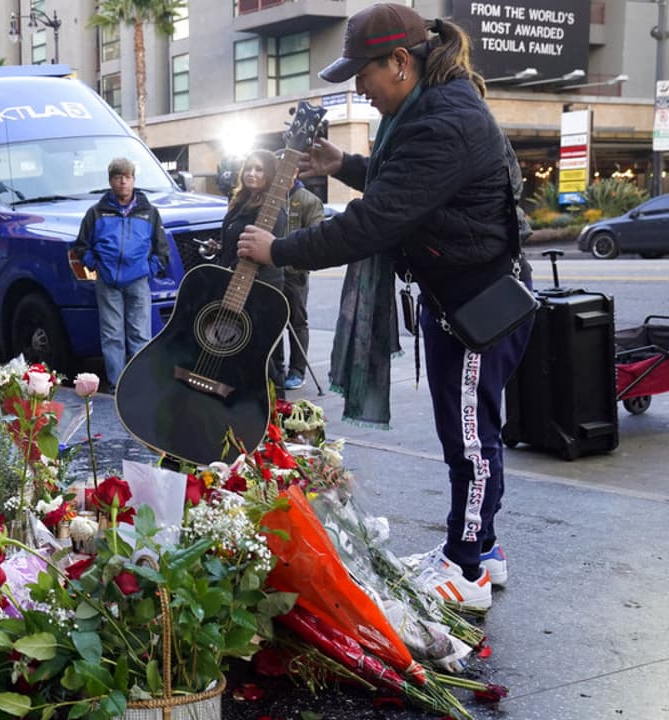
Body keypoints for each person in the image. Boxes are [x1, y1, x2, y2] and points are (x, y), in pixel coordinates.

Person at [236, 3, 531, 610]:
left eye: (362, 74)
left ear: (400, 61)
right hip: (461, 298)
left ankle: (468, 567)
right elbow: (410, 189)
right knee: (467, 435)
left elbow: (375, 223)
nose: (359, 90)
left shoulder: (441, 122)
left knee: (471, 441)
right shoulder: (432, 109)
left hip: (479, 308)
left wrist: (279, 249)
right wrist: (343, 165)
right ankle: (482, 549)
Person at [73, 157, 169, 389]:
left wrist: (148, 269)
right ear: (110, 181)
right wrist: (95, 265)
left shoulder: (150, 213)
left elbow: (161, 249)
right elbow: (81, 245)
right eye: (118, 177)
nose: (123, 182)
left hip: (138, 281)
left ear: (134, 180)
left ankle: (140, 385)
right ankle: (117, 385)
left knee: (140, 335)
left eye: (127, 177)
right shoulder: (96, 213)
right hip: (107, 282)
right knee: (112, 336)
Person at [216, 149, 289, 394]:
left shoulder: (272, 209)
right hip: (231, 279)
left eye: (259, 169)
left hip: (260, 285)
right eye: (248, 168)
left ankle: (273, 399)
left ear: (270, 174)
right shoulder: (239, 202)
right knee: (235, 344)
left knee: (259, 346)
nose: (252, 174)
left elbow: (269, 248)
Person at [275, 178, 325, 391]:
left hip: (294, 273)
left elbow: (317, 235)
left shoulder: (308, 200)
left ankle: (297, 370)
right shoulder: (270, 197)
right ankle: (276, 369)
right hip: (270, 272)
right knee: (273, 323)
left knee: (296, 321)